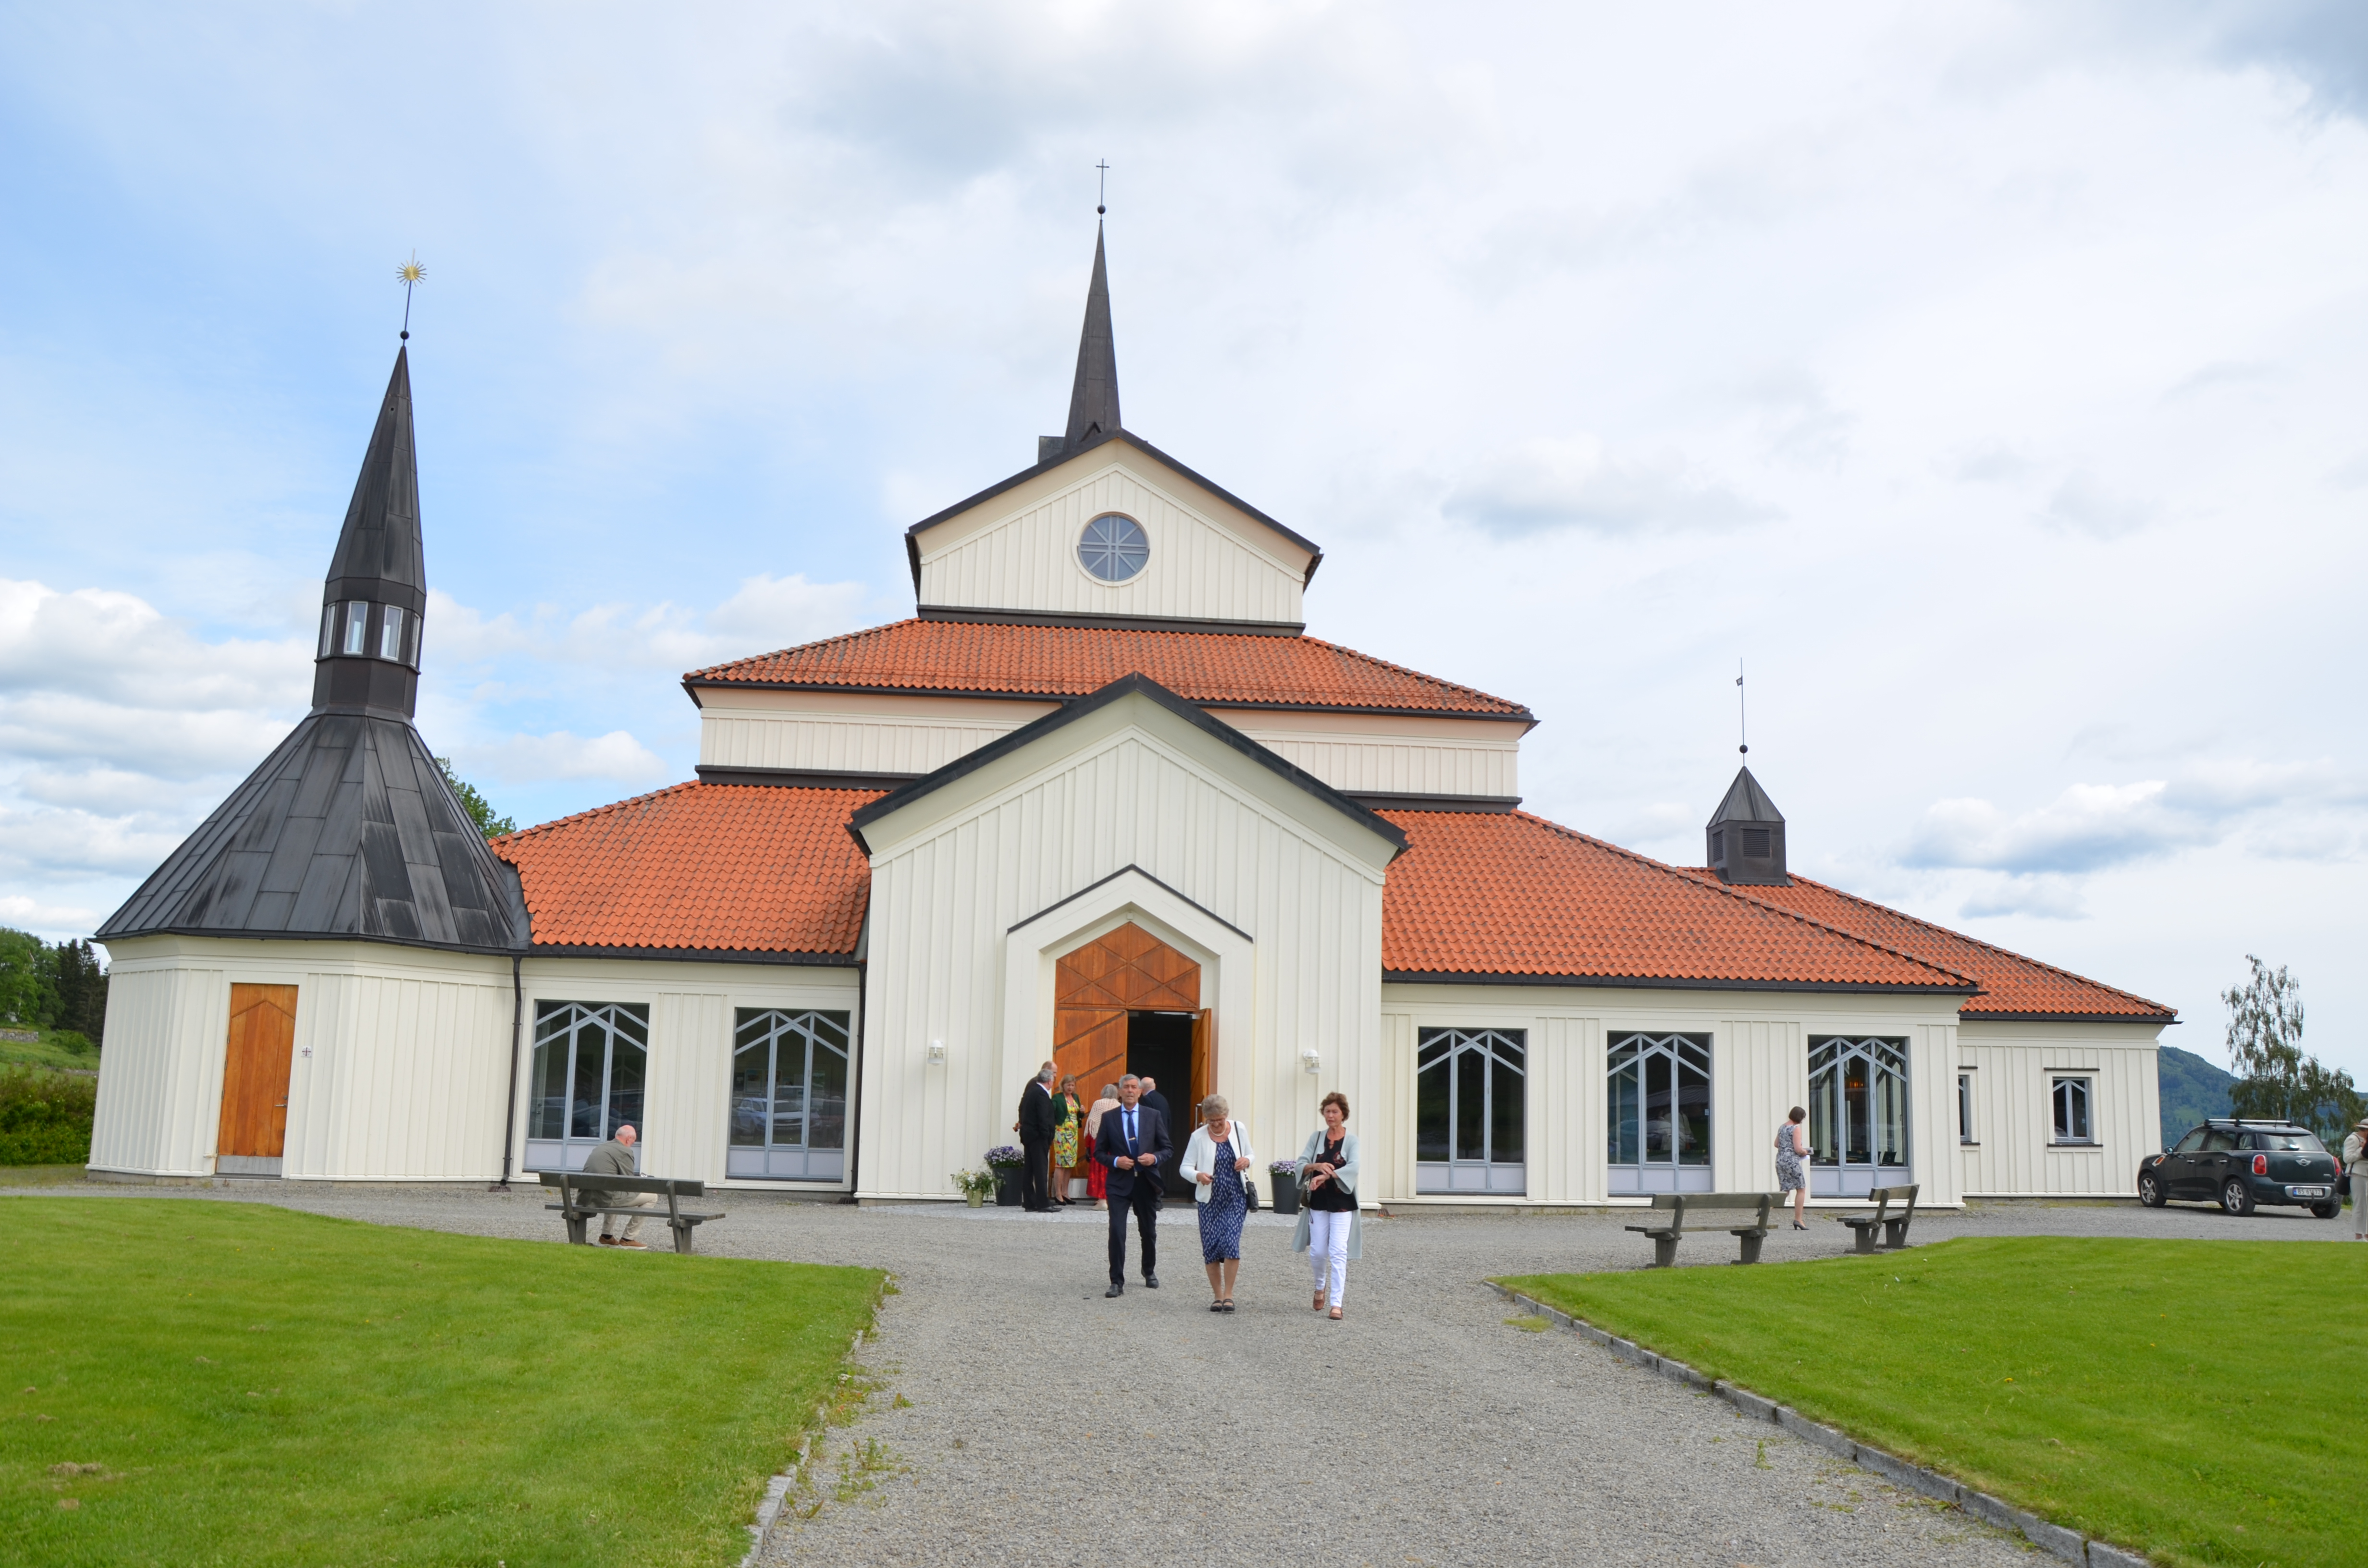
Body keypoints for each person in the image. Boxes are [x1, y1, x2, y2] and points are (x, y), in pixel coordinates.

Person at [1092, 1074, 1172, 1296]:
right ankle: (1116, 1281)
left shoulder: (1152, 1116)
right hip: (1119, 1183)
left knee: (1148, 1231)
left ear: (1140, 1091)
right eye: (1126, 1087)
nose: (1130, 1091)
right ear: (1119, 1091)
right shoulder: (1109, 1118)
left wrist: (1154, 1159)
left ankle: (1149, 1271)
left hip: (1145, 1181)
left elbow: (1167, 1148)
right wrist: (1116, 1161)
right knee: (1117, 1231)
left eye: (1134, 1087)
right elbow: (1098, 1152)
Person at [1180, 1094, 1254, 1312]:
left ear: (1227, 1115)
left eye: (1220, 1119)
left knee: (1231, 1242)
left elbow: (1250, 1153)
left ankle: (1229, 1295)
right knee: (1211, 1246)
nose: (1216, 1124)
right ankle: (1218, 1296)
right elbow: (1184, 1167)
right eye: (1212, 1121)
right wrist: (1198, 1176)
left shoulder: (1239, 1129)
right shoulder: (1198, 1137)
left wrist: (1247, 1160)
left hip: (1235, 1196)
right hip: (1209, 1199)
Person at [1292, 1092, 1359, 1320]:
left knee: (1338, 1251)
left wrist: (1327, 1177)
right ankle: (1320, 1286)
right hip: (1318, 1202)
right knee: (1319, 1251)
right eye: (1327, 1111)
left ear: (1343, 1115)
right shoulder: (1317, 1137)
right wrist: (1316, 1166)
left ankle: (1336, 1304)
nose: (1330, 1116)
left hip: (1343, 1202)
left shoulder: (1351, 1140)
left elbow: (1353, 1168)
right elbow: (1300, 1164)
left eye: (1335, 1112)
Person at [581, 1124, 654, 1250]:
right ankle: (628, 1239)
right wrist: (644, 1182)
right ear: (628, 1139)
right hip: (605, 1199)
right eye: (633, 1141)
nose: (633, 1144)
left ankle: (607, 1237)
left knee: (613, 1191)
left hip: (587, 1198)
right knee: (652, 1197)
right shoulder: (625, 1151)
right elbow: (628, 1183)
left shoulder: (601, 1147)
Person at [1016, 1062, 1058, 1212]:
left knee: (1029, 1170)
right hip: (1038, 1138)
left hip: (1029, 1136)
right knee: (1040, 1171)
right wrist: (1047, 1137)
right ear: (1049, 1081)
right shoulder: (1041, 1094)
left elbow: (1022, 1110)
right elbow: (1043, 1118)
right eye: (1053, 1078)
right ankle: (1043, 1203)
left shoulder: (1030, 1091)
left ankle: (1029, 1202)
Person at [1137, 1075, 1175, 1195]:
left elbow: (1146, 1121)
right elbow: (1169, 1119)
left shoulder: (1146, 1100)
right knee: (1156, 1165)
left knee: (1150, 1166)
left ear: (1142, 1089)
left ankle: (1156, 1194)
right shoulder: (1162, 1098)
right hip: (1163, 1135)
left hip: (1152, 1138)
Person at [1084, 1081, 1120, 1208]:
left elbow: (1091, 1125)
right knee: (1111, 1170)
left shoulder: (1098, 1104)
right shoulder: (1119, 1105)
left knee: (1098, 1170)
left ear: (1103, 1093)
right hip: (1114, 1143)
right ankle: (1110, 1199)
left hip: (1098, 1141)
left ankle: (1101, 1200)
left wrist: (1087, 1146)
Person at [1051, 1074, 1085, 1205]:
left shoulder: (1075, 1097)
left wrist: (1081, 1111)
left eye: (1073, 1085)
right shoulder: (1058, 1098)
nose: (1071, 1087)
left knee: (1070, 1164)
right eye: (1068, 1085)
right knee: (1060, 1164)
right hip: (1061, 1134)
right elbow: (1051, 1111)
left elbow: (1077, 1115)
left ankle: (1065, 1192)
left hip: (1073, 1134)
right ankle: (1058, 1193)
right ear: (1063, 1085)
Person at [1776, 1106, 1811, 1229]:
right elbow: (1797, 1149)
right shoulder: (1795, 1129)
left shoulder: (1782, 1127)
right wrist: (1805, 1152)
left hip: (1780, 1160)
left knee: (1785, 1189)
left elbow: (1776, 1144)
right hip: (1791, 1161)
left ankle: (1766, 1208)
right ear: (1800, 1117)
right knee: (1801, 1188)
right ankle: (1798, 1220)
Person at [2345, 1116, 2368, 1241]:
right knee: (2360, 1204)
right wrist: (2361, 1149)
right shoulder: (2353, 1139)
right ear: (2364, 1130)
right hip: (2358, 1174)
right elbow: (2347, 1159)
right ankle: (2358, 1235)